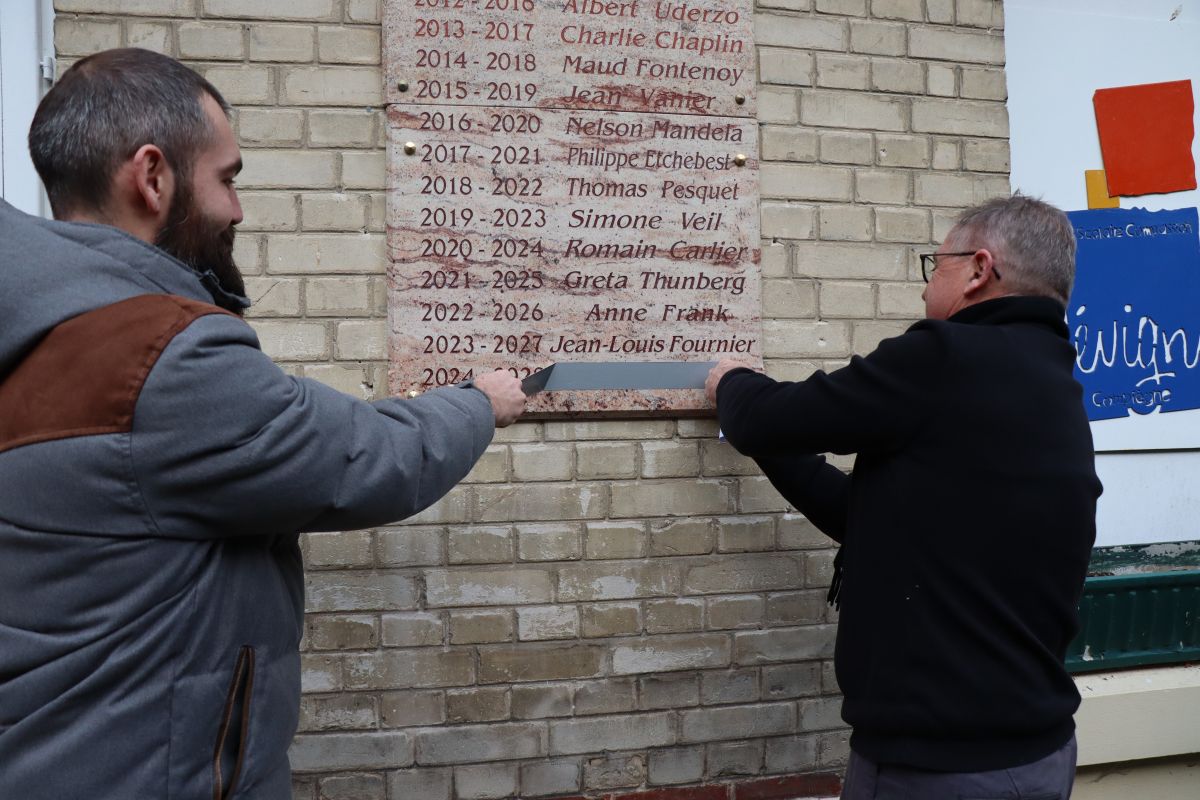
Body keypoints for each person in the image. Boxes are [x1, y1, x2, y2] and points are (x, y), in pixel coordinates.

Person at [0, 48, 526, 799]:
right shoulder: (157, 355)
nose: (238, 210)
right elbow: (364, 459)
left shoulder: (38, 328)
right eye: (227, 178)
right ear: (152, 177)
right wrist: (480, 402)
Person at [707, 195, 1101, 800]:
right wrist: (771, 443)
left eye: (934, 264)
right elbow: (867, 516)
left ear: (978, 269)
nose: (924, 290)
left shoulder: (945, 359)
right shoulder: (1054, 382)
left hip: (941, 771)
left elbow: (769, 416)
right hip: (1032, 754)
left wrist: (730, 382)